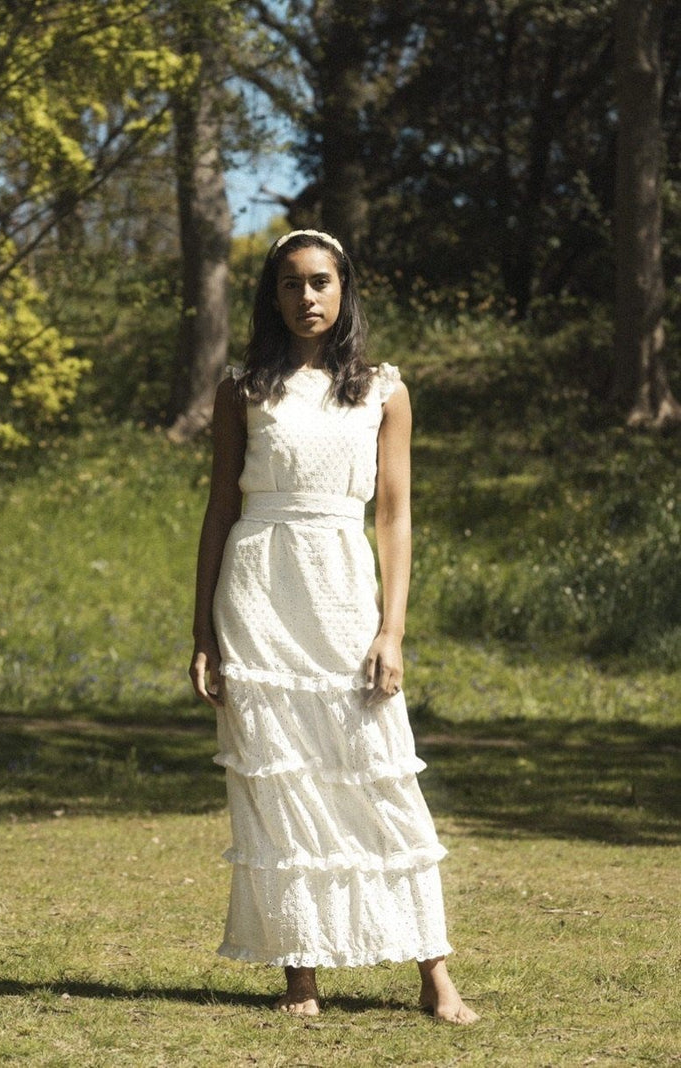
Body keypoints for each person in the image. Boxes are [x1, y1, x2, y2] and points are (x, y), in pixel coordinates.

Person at [189, 229, 479, 1024]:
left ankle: (435, 973)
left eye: (321, 282)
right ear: (271, 295)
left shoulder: (383, 390)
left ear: (345, 289)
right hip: (257, 593)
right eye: (290, 284)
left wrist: (393, 629)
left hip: (345, 591)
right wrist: (202, 633)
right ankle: (301, 976)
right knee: (279, 780)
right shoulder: (242, 389)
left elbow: (394, 516)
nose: (307, 297)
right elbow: (220, 509)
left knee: (379, 771)